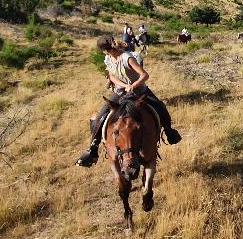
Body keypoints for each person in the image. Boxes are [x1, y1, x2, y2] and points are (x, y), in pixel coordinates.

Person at [76, 35, 182, 167]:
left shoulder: (127, 58)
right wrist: (123, 85)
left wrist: (133, 85)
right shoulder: (108, 59)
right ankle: (93, 147)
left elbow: (144, 75)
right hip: (120, 92)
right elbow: (111, 76)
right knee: (100, 117)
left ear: (105, 49)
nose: (105, 52)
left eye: (105, 50)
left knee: (160, 107)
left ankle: (169, 131)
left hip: (140, 91)